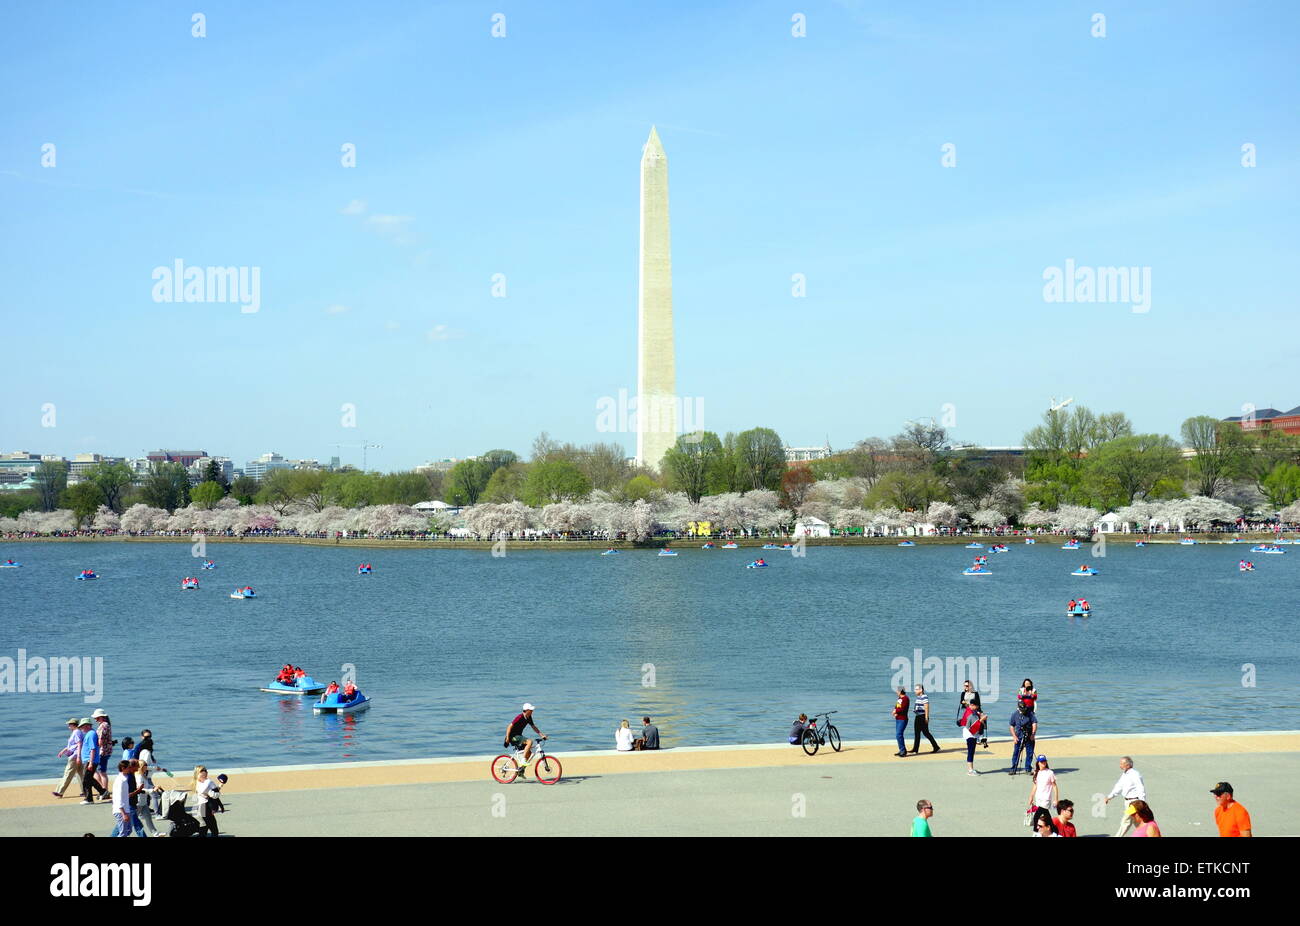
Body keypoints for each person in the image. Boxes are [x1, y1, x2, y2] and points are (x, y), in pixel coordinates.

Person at [1105, 756, 1146, 837]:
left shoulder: (1135, 774)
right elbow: (1119, 786)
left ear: (1128, 765)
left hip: (1134, 803)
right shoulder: (1125, 774)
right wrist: (1110, 796)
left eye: (1122, 763)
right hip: (1128, 802)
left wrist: (1142, 802)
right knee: (1137, 823)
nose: (1120, 765)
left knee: (1125, 822)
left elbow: (1140, 788)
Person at [504, 703, 545, 773]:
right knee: (530, 742)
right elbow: (509, 726)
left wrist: (541, 735)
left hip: (519, 736)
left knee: (529, 752)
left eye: (532, 710)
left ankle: (521, 770)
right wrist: (507, 738)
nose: (532, 711)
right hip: (513, 737)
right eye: (531, 710)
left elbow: (534, 727)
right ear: (526, 710)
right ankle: (523, 760)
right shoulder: (519, 717)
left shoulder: (529, 717)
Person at [53, 717, 84, 799]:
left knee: (68, 773)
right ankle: (85, 791)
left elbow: (79, 744)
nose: (68, 726)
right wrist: (62, 751)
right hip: (76, 755)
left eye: (69, 724)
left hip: (75, 756)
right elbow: (71, 745)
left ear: (74, 725)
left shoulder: (77, 732)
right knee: (80, 774)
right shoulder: (76, 732)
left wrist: (78, 756)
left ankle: (60, 791)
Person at [78, 718, 106, 805]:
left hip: (90, 760)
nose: (81, 729)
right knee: (88, 779)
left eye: (82, 727)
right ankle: (102, 791)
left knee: (86, 780)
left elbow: (92, 749)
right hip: (89, 760)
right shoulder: (90, 734)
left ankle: (89, 798)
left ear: (87, 726)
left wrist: (90, 762)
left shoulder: (91, 734)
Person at [1008, 701, 1038, 775]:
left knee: (1030, 753)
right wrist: (1014, 737)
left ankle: (1028, 768)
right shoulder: (1014, 714)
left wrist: (1033, 734)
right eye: (1022, 709)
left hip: (1029, 736)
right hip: (1018, 737)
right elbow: (1011, 726)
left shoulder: (1030, 713)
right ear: (1018, 708)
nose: (1024, 710)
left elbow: (1034, 723)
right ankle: (1013, 768)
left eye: (1024, 709)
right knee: (1016, 753)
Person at [910, 684, 940, 754]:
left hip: (923, 717)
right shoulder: (918, 697)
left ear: (921, 690)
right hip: (918, 716)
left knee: (926, 733)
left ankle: (936, 746)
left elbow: (926, 707)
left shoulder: (924, 696)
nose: (915, 691)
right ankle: (915, 749)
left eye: (917, 689)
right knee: (917, 733)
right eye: (915, 689)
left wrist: (926, 717)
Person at [192, 766, 220, 837]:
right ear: (197, 774)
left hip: (200, 806)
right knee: (212, 826)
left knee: (205, 825)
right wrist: (217, 789)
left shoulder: (196, 783)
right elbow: (214, 795)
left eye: (206, 772)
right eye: (202, 772)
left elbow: (194, 798)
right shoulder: (206, 783)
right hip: (205, 806)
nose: (205, 773)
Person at [91, 709, 114, 797]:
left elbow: (100, 740)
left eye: (96, 718)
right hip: (106, 750)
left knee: (101, 772)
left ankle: (104, 790)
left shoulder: (103, 726)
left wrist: (95, 749)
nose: (95, 720)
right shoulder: (106, 725)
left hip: (102, 751)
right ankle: (104, 790)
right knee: (100, 771)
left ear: (100, 717)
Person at [959, 702, 985, 776]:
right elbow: (973, 729)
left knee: (972, 752)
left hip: (973, 735)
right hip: (970, 735)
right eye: (977, 706)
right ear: (972, 705)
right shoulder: (970, 714)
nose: (978, 708)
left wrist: (981, 718)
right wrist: (981, 720)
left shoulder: (973, 712)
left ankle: (971, 769)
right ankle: (970, 770)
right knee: (970, 752)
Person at [958, 680, 986, 747]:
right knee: (968, 725)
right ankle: (969, 738)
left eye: (967, 685)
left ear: (970, 686)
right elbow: (961, 701)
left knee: (977, 724)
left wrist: (979, 711)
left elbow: (978, 703)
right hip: (967, 711)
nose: (965, 687)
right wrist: (963, 702)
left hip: (974, 710)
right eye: (964, 685)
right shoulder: (963, 693)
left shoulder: (975, 693)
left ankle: (977, 738)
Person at [108, 760, 133, 837]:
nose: (130, 769)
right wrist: (123, 813)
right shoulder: (120, 781)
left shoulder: (124, 779)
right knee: (123, 833)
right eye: (128, 767)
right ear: (123, 768)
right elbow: (118, 798)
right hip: (121, 811)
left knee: (128, 830)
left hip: (125, 809)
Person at [893, 687, 910, 757]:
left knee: (899, 734)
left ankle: (903, 751)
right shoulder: (899, 699)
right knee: (898, 735)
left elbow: (903, 708)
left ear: (900, 691)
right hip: (898, 719)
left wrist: (896, 711)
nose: (896, 692)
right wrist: (895, 711)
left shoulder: (905, 699)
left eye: (897, 691)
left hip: (903, 719)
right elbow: (897, 706)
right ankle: (902, 750)